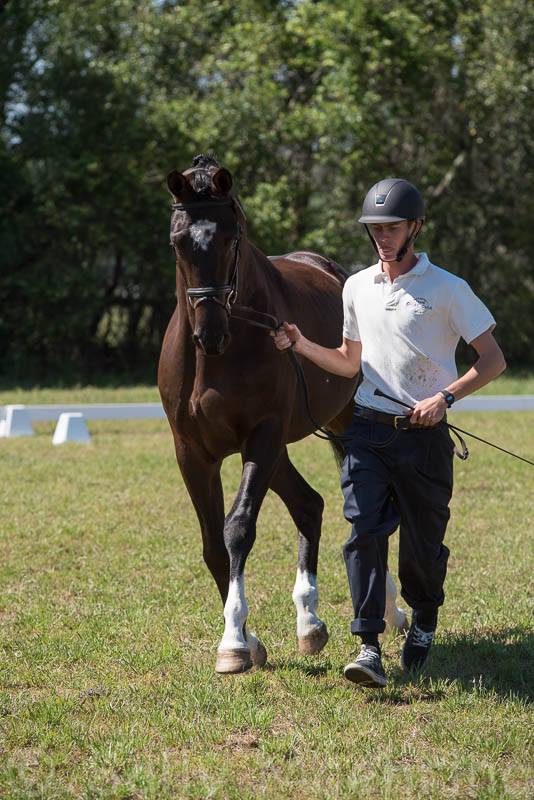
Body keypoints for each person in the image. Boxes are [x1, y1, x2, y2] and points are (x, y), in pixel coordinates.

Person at [271, 178, 506, 688]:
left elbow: (493, 360)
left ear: (414, 227)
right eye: (375, 228)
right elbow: (348, 360)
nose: (382, 236)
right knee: (364, 534)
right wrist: (300, 345)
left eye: (392, 227)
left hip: (425, 437)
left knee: (423, 548)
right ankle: (369, 645)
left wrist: (444, 399)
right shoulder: (355, 287)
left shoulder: (447, 288)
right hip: (367, 431)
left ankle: (422, 617)